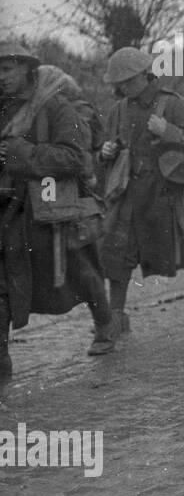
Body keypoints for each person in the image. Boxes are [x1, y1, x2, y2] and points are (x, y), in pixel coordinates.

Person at [0, 41, 117, 378]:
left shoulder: (55, 107)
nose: (1, 77)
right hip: (8, 211)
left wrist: (22, 153)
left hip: (51, 209)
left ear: (26, 69)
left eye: (7, 69)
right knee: (4, 284)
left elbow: (74, 158)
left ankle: (105, 323)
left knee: (79, 270)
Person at [97, 46, 184, 332]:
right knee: (118, 253)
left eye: (127, 81)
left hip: (164, 191)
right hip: (129, 193)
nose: (122, 87)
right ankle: (116, 316)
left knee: (183, 251)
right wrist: (105, 152)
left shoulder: (171, 104)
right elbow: (107, 149)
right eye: (119, 83)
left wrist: (168, 131)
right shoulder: (119, 110)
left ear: (144, 75)